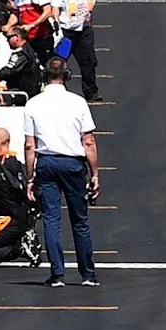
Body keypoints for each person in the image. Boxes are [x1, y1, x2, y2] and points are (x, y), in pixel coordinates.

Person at [23, 59, 100, 286]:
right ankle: (87, 274)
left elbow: (29, 145)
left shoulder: (33, 104)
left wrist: (29, 178)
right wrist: (95, 174)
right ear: (66, 75)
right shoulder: (78, 102)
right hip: (72, 163)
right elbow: (88, 141)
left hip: (46, 163)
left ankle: (57, 274)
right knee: (80, 220)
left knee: (51, 219)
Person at [50, 0, 100, 96]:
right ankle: (58, 92)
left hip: (83, 31)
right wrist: (57, 27)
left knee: (89, 62)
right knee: (59, 63)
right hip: (67, 32)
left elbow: (91, 3)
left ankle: (91, 92)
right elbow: (55, 7)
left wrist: (90, 24)